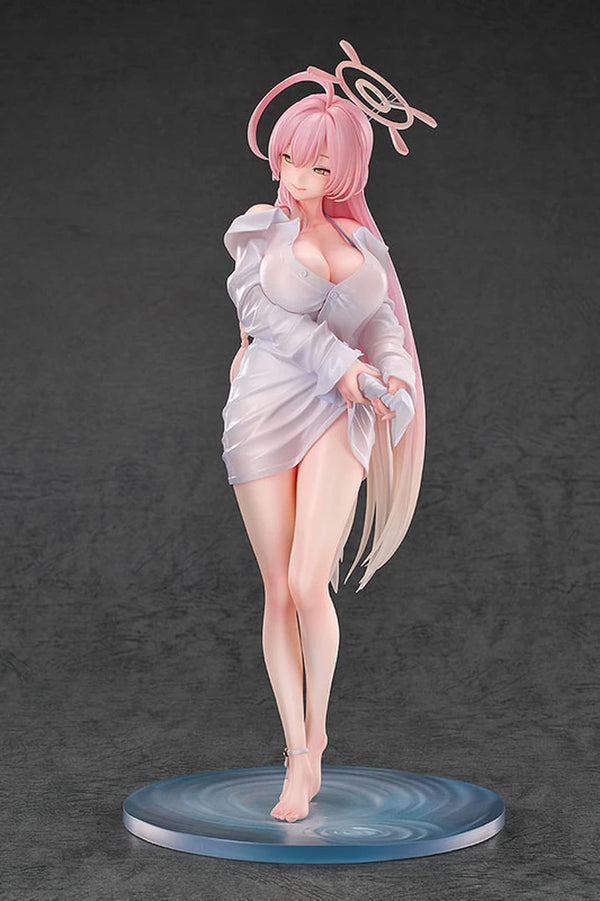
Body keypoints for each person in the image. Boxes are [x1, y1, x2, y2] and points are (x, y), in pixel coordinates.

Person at [220, 42, 436, 823]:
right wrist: (342, 365)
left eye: (317, 166)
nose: (297, 175)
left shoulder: (365, 248)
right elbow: (266, 319)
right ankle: (296, 752)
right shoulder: (258, 235)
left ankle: (316, 734)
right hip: (265, 408)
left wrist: (394, 377)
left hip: (343, 415)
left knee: (312, 581)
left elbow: (385, 329)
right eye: (289, 158)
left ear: (343, 173)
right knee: (280, 587)